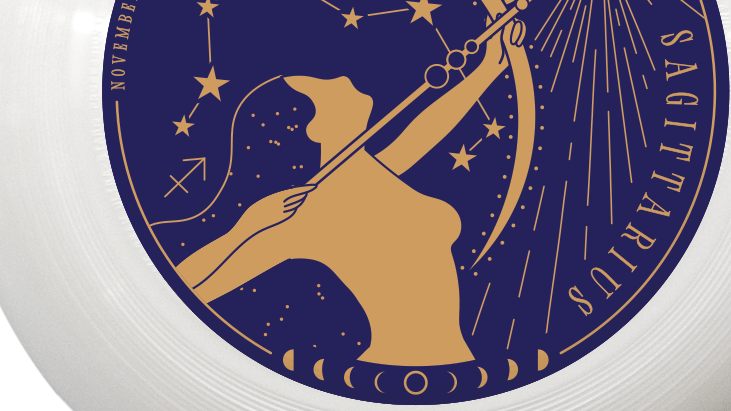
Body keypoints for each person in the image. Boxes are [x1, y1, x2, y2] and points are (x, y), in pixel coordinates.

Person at [175, 22, 522, 366]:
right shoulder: (308, 215)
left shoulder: (373, 172)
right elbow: (186, 289)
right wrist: (249, 227)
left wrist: (489, 68)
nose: (341, 77)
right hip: (398, 366)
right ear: (314, 128)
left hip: (455, 361)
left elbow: (427, 128)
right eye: (323, 84)